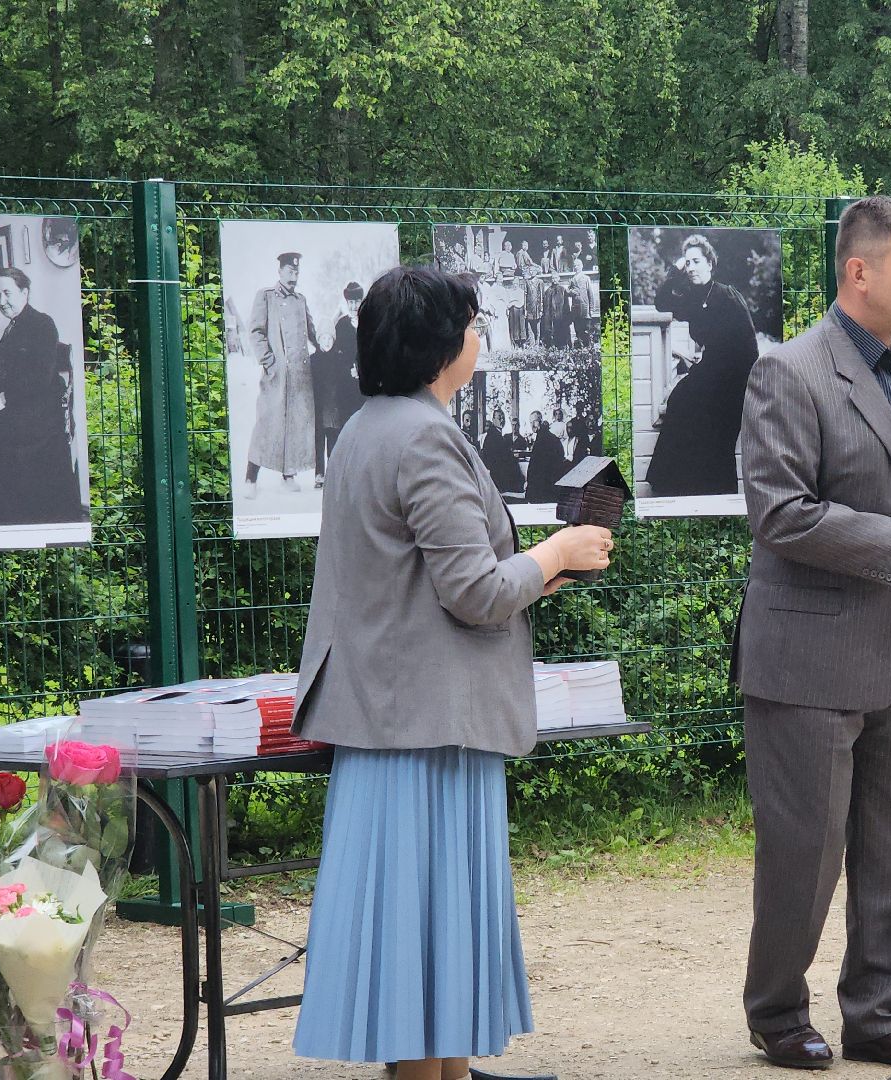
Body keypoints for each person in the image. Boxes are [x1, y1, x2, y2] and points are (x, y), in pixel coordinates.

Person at [289, 265, 615, 1079]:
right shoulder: (426, 434)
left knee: (419, 938)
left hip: (394, 716)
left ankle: (450, 1075)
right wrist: (555, 553)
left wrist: (541, 567)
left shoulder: (367, 427)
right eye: (474, 326)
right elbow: (472, 593)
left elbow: (426, 580)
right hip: (427, 726)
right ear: (444, 345)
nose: (480, 340)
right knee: (428, 928)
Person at [737, 196, 891, 1072]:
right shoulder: (791, 373)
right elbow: (780, 513)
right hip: (810, 657)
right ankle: (777, 1012)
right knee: (805, 851)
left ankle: (878, 1013)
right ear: (858, 272)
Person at [643, 234, 762, 497]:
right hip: (709, 372)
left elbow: (749, 348)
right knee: (679, 404)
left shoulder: (727, 295)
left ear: (710, 263)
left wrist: (741, 384)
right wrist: (675, 270)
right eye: (688, 263)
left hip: (734, 377)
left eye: (697, 261)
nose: (692, 267)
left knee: (714, 432)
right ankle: (675, 487)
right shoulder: (692, 299)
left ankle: (717, 496)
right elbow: (661, 302)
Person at [0, 268, 79, 522]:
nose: (1, 301)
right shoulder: (12, 328)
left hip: (40, 426)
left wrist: (2, 400)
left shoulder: (42, 324)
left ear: (25, 292)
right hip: (20, 417)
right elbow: (2, 372)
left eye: (7, 293)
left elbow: (39, 378)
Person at [244, 251, 319, 498]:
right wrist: (269, 362)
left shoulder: (301, 300)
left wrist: (327, 345)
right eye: (289, 271)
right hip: (276, 376)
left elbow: (312, 333)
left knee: (296, 425)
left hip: (299, 376)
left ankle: (289, 476)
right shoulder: (266, 297)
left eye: (296, 271)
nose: (293, 275)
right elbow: (255, 332)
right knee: (267, 423)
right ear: (280, 271)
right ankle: (250, 478)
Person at [309, 281, 365, 486]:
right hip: (345, 389)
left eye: (357, 301)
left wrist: (363, 369)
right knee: (344, 429)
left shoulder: (369, 322)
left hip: (365, 387)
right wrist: (348, 369)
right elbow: (334, 355)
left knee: (365, 427)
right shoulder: (341, 325)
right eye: (350, 302)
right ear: (346, 302)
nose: (353, 306)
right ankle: (344, 470)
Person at [522, 407, 566, 502]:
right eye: (530, 422)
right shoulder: (547, 437)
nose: (532, 425)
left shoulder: (544, 439)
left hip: (542, 488)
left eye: (535, 421)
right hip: (547, 487)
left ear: (541, 421)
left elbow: (538, 467)